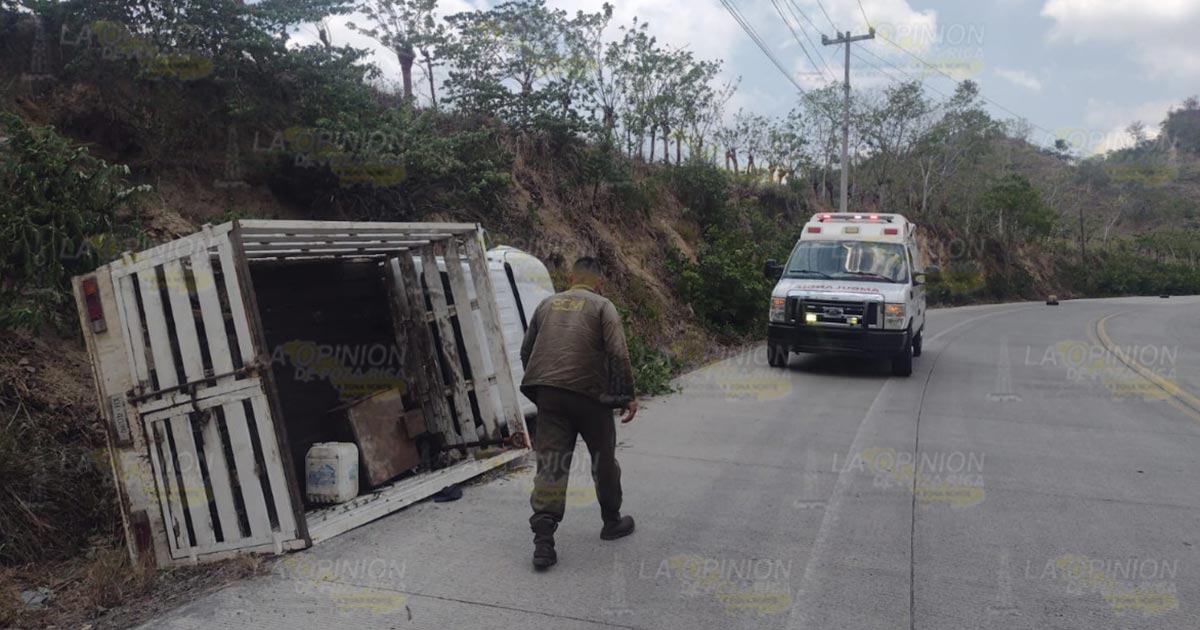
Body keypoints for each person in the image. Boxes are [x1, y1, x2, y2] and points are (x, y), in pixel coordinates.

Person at [519, 256, 638, 571]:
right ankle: (611, 521)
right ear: (599, 282)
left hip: (549, 394)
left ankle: (544, 541)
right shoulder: (603, 306)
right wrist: (626, 395)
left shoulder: (546, 305)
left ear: (570, 279)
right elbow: (618, 352)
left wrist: (544, 387)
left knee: (551, 464)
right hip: (590, 396)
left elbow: (526, 352)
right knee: (603, 460)